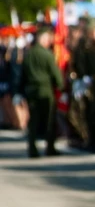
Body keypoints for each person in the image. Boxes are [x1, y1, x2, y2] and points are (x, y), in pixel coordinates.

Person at [20, 27, 63, 157]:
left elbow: (23, 74)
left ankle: (32, 148)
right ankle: (50, 148)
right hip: (45, 91)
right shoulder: (47, 54)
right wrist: (61, 86)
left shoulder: (29, 54)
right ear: (43, 39)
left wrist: (22, 91)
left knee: (33, 121)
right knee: (49, 120)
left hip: (31, 90)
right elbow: (55, 73)